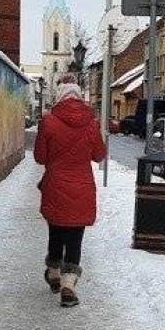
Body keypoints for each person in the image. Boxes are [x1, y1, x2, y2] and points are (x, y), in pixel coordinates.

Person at [33, 83, 107, 307]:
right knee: (75, 236)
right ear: (79, 98)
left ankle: (54, 274)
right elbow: (99, 155)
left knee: (56, 230)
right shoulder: (91, 124)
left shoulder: (49, 122)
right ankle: (68, 286)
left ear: (60, 98)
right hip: (82, 187)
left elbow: (40, 157)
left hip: (56, 185)